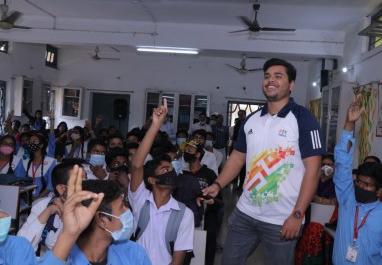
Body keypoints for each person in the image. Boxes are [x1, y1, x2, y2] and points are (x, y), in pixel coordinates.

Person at [203, 58, 325, 264]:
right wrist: (218, 184)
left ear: (291, 85)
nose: (271, 80)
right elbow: (237, 157)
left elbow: (313, 171)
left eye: (278, 76)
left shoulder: (303, 119)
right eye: (267, 76)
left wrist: (297, 215)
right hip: (245, 213)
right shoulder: (252, 120)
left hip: (282, 219)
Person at [38, 166, 151, 265]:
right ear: (102, 220)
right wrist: (69, 234)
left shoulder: (133, 253)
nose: (127, 210)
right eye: (122, 206)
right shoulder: (62, 257)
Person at [129, 98, 194, 265]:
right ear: (151, 179)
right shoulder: (140, 199)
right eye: (165, 170)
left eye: (172, 170)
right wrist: (156, 124)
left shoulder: (184, 214)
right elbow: (137, 164)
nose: (170, 173)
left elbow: (177, 261)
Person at [332, 94, 382, 264]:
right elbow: (342, 161)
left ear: (380, 191)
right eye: (358, 182)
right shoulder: (347, 199)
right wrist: (349, 123)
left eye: (367, 185)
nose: (360, 187)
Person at [18, 162, 85, 253]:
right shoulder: (43, 205)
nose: (85, 186)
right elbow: (22, 244)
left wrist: (66, 215)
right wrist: (48, 211)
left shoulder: (89, 208)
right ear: (62, 189)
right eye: (79, 182)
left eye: (86, 180)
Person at [23, 132, 57, 199]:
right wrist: (26, 197)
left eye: (34, 141)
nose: (31, 143)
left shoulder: (50, 161)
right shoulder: (25, 162)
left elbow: (50, 185)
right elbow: (21, 182)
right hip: (27, 197)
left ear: (41, 145)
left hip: (44, 197)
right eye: (30, 141)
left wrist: (38, 197)